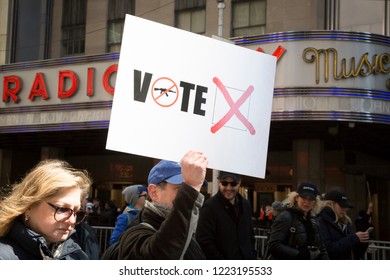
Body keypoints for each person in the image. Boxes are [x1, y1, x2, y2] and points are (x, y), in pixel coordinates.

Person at [116, 150, 208, 259]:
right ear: (154, 192)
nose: (194, 196)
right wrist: (190, 188)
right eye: (180, 188)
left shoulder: (189, 233)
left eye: (196, 190)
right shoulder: (135, 235)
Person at [0, 159, 92, 260]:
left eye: (76, 212)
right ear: (29, 205)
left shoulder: (77, 255)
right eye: (62, 209)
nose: (72, 221)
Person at [196, 171, 257, 259]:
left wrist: (252, 255)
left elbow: (250, 234)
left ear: (239, 182)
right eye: (224, 183)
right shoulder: (210, 207)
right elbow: (204, 241)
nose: (228, 188)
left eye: (233, 183)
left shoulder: (245, 205)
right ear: (219, 182)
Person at [265, 182, 328, 260]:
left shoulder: (313, 219)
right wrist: (299, 254)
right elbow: (273, 245)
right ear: (297, 198)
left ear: (315, 201)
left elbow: (321, 247)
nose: (307, 202)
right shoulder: (286, 216)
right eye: (304, 197)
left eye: (311, 199)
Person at [317, 188, 369, 260]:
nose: (345, 209)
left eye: (345, 206)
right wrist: (354, 238)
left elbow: (355, 253)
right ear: (330, 204)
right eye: (341, 206)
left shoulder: (345, 222)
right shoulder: (321, 221)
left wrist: (362, 241)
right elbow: (328, 249)